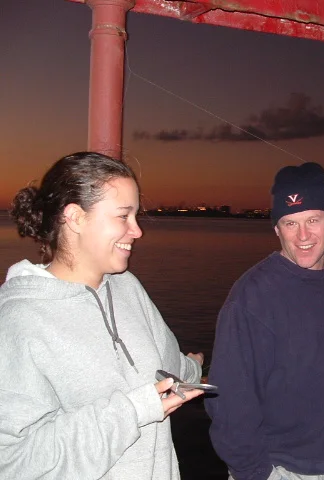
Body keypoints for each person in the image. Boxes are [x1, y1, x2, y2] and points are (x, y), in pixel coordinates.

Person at [0, 151, 205, 479]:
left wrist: (192, 369)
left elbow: (166, 370)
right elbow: (12, 462)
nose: (137, 231)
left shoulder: (127, 286)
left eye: (136, 216)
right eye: (124, 216)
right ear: (76, 218)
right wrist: (132, 412)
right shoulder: (19, 320)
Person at [205, 162, 324, 480]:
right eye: (290, 223)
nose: (303, 235)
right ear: (276, 229)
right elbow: (227, 398)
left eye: (312, 220)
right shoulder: (251, 296)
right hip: (276, 468)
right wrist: (255, 473)